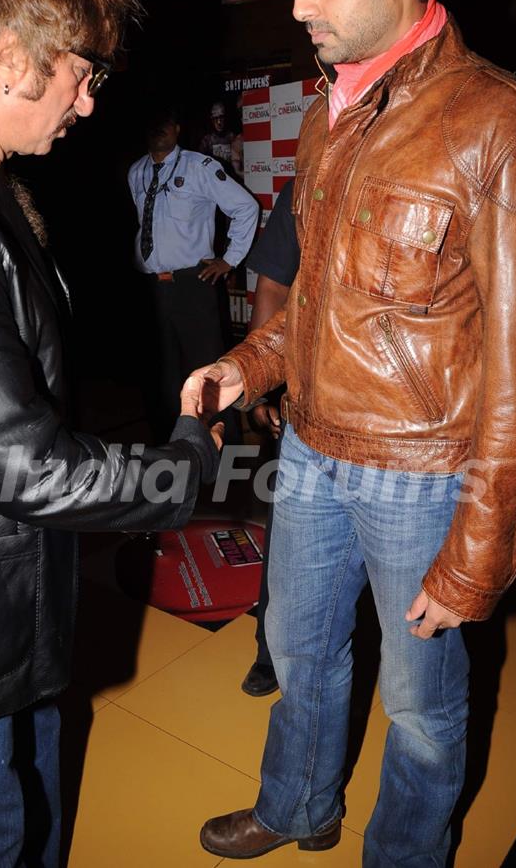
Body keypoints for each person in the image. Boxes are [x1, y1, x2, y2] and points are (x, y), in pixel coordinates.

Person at [193, 0, 516, 865]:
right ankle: (299, 803)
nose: (297, 1)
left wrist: (481, 545)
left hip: (423, 477)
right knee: (301, 656)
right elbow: (311, 303)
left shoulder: (506, 124)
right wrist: (246, 364)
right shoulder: (329, 119)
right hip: (314, 452)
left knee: (419, 704)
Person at [0, 0, 221, 868]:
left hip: (2, 593)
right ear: (6, 57)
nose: (88, 98)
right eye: (83, 72)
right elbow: (24, 461)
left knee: (33, 812)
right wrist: (183, 464)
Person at [128, 106, 258, 441]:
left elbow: (246, 208)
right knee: (163, 375)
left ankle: (226, 450)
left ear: (177, 127)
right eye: (152, 124)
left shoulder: (199, 167)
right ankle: (174, 448)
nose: (159, 130)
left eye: (165, 123)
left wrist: (229, 260)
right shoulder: (136, 171)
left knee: (209, 374)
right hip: (152, 289)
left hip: (192, 284)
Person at [241, 178, 299, 698]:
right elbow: (274, 284)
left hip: (404, 423)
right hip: (308, 409)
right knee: (285, 545)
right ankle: (270, 652)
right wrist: (260, 386)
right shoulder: (306, 186)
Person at [199, 99, 243, 175]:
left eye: (221, 117)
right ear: (211, 119)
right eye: (215, 118)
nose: (219, 122)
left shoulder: (233, 138)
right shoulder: (207, 140)